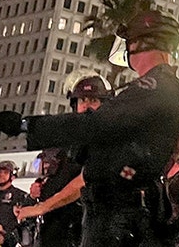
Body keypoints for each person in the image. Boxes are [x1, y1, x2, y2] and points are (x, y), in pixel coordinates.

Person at [0, 10, 179, 247]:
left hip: (121, 216)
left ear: (141, 42)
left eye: (130, 42)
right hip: (124, 213)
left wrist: (25, 125)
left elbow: (97, 124)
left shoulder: (154, 87)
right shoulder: (165, 88)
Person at [15, 74, 113, 246]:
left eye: (94, 100)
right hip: (52, 232)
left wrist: (43, 207)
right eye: (83, 100)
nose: (87, 106)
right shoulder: (61, 143)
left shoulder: (108, 142)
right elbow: (50, 178)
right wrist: (34, 195)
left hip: (84, 230)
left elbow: (86, 179)